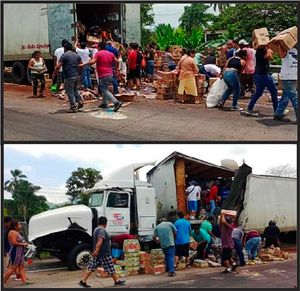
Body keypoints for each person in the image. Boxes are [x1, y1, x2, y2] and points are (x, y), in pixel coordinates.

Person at [79, 217, 125, 288]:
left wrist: (96, 251)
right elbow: (100, 240)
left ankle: (83, 281)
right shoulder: (101, 230)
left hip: (98, 253)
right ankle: (117, 282)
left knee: (91, 267)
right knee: (111, 267)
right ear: (105, 223)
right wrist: (97, 250)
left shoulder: (96, 229)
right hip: (104, 253)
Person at [87, 42, 122, 112]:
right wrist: (116, 69)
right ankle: (104, 103)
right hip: (110, 73)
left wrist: (85, 63)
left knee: (104, 89)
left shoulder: (98, 53)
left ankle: (116, 102)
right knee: (104, 88)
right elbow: (117, 61)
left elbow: (93, 62)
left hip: (103, 74)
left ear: (99, 47)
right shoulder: (110, 54)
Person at [243, 46, 278, 116]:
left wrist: (269, 50)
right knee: (274, 92)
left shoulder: (262, 50)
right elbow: (268, 56)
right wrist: (269, 49)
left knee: (258, 92)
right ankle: (277, 111)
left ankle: (250, 108)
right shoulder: (260, 50)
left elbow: (271, 57)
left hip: (259, 75)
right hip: (263, 75)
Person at [52, 42, 84, 113]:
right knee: (75, 90)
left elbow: (58, 66)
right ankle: (80, 100)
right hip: (76, 75)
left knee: (69, 92)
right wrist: (80, 73)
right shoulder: (76, 55)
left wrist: (54, 74)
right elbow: (81, 65)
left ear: (65, 48)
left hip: (68, 76)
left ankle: (73, 107)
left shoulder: (64, 55)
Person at [273, 45, 297, 123]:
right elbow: (281, 55)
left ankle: (278, 114)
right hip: (288, 77)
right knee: (294, 98)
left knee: (285, 96)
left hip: (291, 76)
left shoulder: (291, 49)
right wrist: (280, 45)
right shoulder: (286, 49)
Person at [4, 219, 29, 285]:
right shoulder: (12, 232)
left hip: (19, 252)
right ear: (15, 226)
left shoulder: (15, 232)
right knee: (12, 268)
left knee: (21, 267)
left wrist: (24, 244)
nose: (20, 226)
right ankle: (2, 282)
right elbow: (14, 242)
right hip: (15, 252)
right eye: (19, 224)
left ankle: (24, 281)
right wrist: (23, 244)